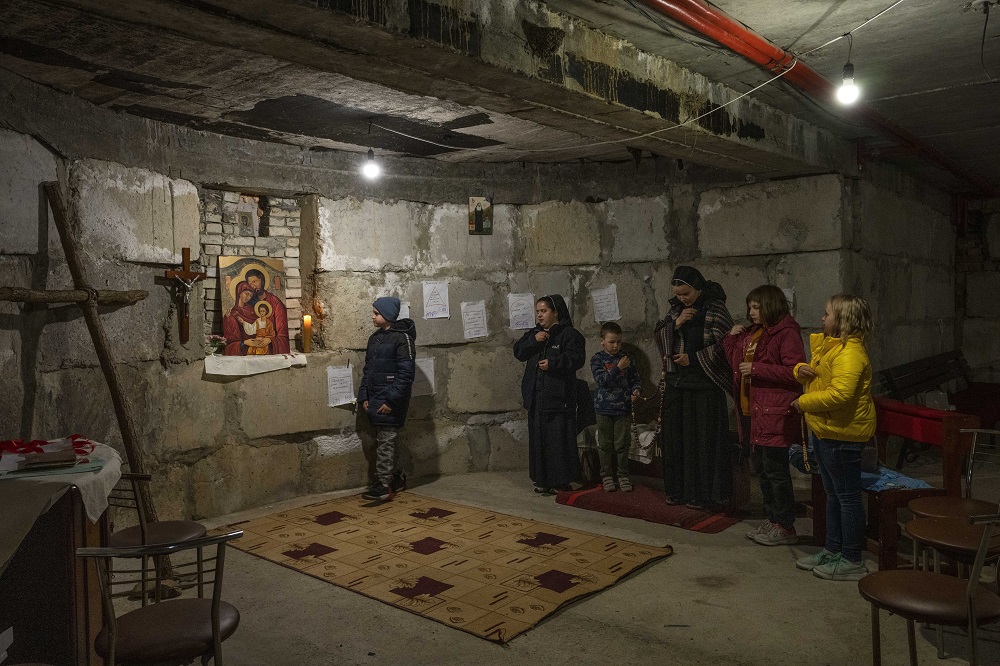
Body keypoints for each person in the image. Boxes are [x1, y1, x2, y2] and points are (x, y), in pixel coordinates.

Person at [792, 294, 876, 581]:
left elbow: (841, 395)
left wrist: (803, 403)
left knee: (847, 498)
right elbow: (820, 378)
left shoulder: (850, 354)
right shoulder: (832, 349)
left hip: (843, 435)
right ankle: (833, 549)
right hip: (827, 430)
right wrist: (800, 372)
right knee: (833, 497)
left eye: (827, 314)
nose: (822, 318)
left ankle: (852, 558)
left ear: (842, 320)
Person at [723, 285, 805, 546]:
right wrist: (731, 339)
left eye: (756, 307)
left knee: (775, 470)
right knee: (761, 469)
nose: (751, 312)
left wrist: (758, 369)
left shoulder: (786, 333)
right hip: (754, 411)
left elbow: (796, 371)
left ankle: (786, 525)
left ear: (770, 305)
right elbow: (736, 363)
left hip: (774, 412)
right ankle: (773, 518)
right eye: (750, 307)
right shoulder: (758, 333)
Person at [654, 266, 734, 510]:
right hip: (678, 385)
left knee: (701, 443)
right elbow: (660, 336)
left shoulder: (715, 308)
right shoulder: (676, 310)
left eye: (686, 293)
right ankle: (678, 491)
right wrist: (675, 325)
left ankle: (703, 495)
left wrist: (695, 359)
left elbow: (726, 345)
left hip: (704, 388)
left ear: (698, 288)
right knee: (677, 442)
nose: (682, 298)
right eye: (678, 294)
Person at [513, 295, 585, 494]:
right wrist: (533, 342)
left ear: (555, 312)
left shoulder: (569, 335)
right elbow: (518, 352)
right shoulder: (535, 334)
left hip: (558, 399)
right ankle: (542, 480)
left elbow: (577, 359)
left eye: (543, 311)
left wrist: (554, 364)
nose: (540, 315)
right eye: (537, 311)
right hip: (537, 398)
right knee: (538, 441)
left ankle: (561, 480)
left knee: (557, 441)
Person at [358, 296, 416, 501]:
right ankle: (396, 478)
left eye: (376, 313)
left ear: (389, 315)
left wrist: (391, 401)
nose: (372, 317)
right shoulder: (375, 339)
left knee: (386, 442)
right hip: (375, 398)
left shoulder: (403, 339)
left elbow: (406, 374)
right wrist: (363, 395)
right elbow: (369, 370)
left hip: (391, 401)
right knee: (386, 440)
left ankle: (383, 485)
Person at [590, 322, 641, 492]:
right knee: (605, 444)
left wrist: (636, 389)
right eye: (611, 342)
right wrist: (618, 368)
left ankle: (623, 475)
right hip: (603, 408)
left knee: (622, 444)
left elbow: (635, 378)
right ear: (602, 341)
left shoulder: (627, 357)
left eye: (618, 342)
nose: (615, 345)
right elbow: (602, 381)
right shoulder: (598, 359)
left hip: (623, 408)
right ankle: (606, 475)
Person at [245, 268, 290, 354]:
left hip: (269, 347)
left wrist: (270, 339)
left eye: (254, 282)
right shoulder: (248, 304)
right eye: (250, 284)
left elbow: (282, 334)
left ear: (261, 280)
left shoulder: (275, 302)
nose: (252, 286)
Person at [222, 281, 256, 356]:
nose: (248, 297)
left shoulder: (252, 311)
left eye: (250, 295)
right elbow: (230, 339)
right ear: (239, 292)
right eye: (246, 294)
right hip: (241, 348)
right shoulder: (231, 314)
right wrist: (244, 343)